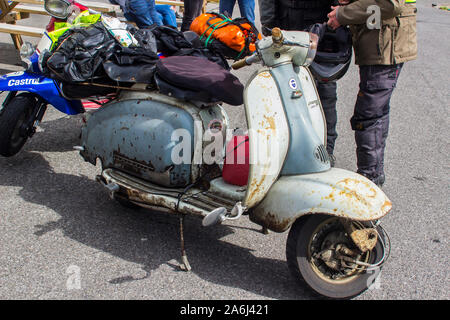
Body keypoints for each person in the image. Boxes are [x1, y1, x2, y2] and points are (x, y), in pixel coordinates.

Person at [327, 0, 417, 186]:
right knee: (375, 113)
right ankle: (372, 175)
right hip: (379, 43)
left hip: (385, 46)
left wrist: (343, 14)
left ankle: (370, 179)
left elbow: (389, 4)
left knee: (369, 115)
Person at [259, 0, 340, 165]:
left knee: (324, 89)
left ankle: (325, 149)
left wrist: (340, 15)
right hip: (289, 23)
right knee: (287, 88)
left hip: (321, 24)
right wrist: (269, 27)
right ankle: (291, 148)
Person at [109, 0, 177, 28]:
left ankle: (174, 36)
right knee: (158, 19)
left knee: (169, 8)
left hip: (147, 4)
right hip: (134, 6)